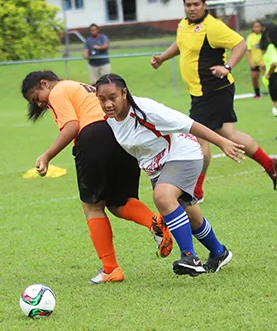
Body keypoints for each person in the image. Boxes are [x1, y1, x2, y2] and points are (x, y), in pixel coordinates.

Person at [20, 71, 173, 284]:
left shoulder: (57, 91)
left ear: (44, 83)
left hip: (94, 137)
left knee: (92, 206)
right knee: (119, 202)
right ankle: (153, 221)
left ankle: (111, 269)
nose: (41, 105)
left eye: (38, 98)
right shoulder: (79, 86)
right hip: (122, 135)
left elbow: (72, 125)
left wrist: (47, 155)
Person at [96, 74, 243, 275]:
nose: (107, 104)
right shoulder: (111, 119)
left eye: (112, 97)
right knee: (190, 217)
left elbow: (189, 124)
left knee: (163, 197)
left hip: (183, 154)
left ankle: (190, 257)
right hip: (158, 166)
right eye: (102, 99)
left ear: (124, 93)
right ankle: (219, 252)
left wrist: (222, 142)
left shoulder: (147, 111)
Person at [150, 0, 277, 202]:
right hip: (203, 93)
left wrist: (227, 67)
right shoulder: (184, 25)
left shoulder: (212, 27)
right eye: (188, 5)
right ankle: (270, 165)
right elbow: (181, 43)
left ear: (205, 5)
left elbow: (239, 43)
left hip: (212, 91)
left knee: (197, 140)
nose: (192, 8)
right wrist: (163, 58)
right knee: (229, 135)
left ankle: (197, 191)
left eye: (196, 4)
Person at [246, 20, 264, 99]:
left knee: (270, 76)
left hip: (264, 61)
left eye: (258, 26)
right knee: (254, 77)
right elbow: (248, 51)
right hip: (255, 61)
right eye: (255, 27)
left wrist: (265, 62)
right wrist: (251, 62)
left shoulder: (264, 36)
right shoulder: (250, 37)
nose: (257, 28)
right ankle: (257, 93)